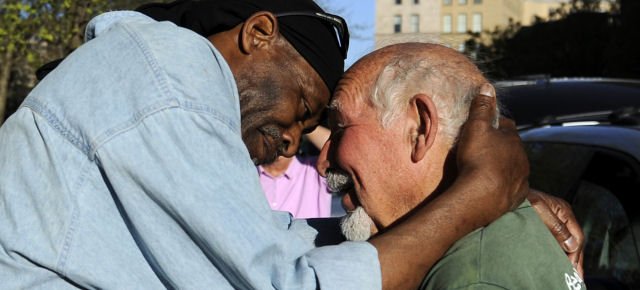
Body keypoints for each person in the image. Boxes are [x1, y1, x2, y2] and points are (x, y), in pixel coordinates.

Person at [0, 0, 580, 289]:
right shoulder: (170, 80)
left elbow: (278, 251)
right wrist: (478, 194)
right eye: (304, 108)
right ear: (258, 35)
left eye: (323, 124)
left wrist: (490, 194)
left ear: (422, 128)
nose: (297, 144)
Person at [317, 42, 586, 289]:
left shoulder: (472, 278)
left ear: (420, 129)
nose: (323, 162)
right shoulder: (487, 249)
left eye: (340, 129)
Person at [258, 126, 333, 218]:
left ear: (299, 141)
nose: (277, 143)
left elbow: (338, 146)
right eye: (270, 137)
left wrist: (301, 125)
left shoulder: (314, 170)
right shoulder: (247, 174)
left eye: (285, 140)